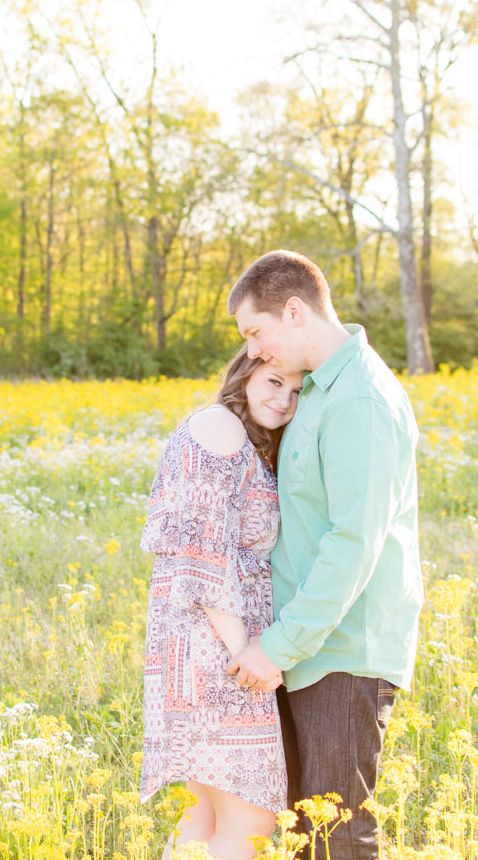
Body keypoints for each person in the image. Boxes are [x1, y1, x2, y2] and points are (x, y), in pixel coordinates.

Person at [225, 250, 423, 860]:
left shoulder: (359, 399)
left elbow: (352, 543)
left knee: (339, 836)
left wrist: (277, 646)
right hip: (307, 645)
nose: (254, 350)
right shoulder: (314, 391)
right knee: (303, 834)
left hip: (342, 651)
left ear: (294, 310)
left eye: (256, 332)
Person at [140, 345, 304, 860]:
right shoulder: (219, 427)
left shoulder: (235, 435)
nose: (284, 400)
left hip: (197, 648)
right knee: (251, 822)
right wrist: (247, 654)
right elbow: (201, 554)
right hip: (217, 652)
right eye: (275, 382)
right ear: (245, 370)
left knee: (204, 819)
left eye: (297, 391)